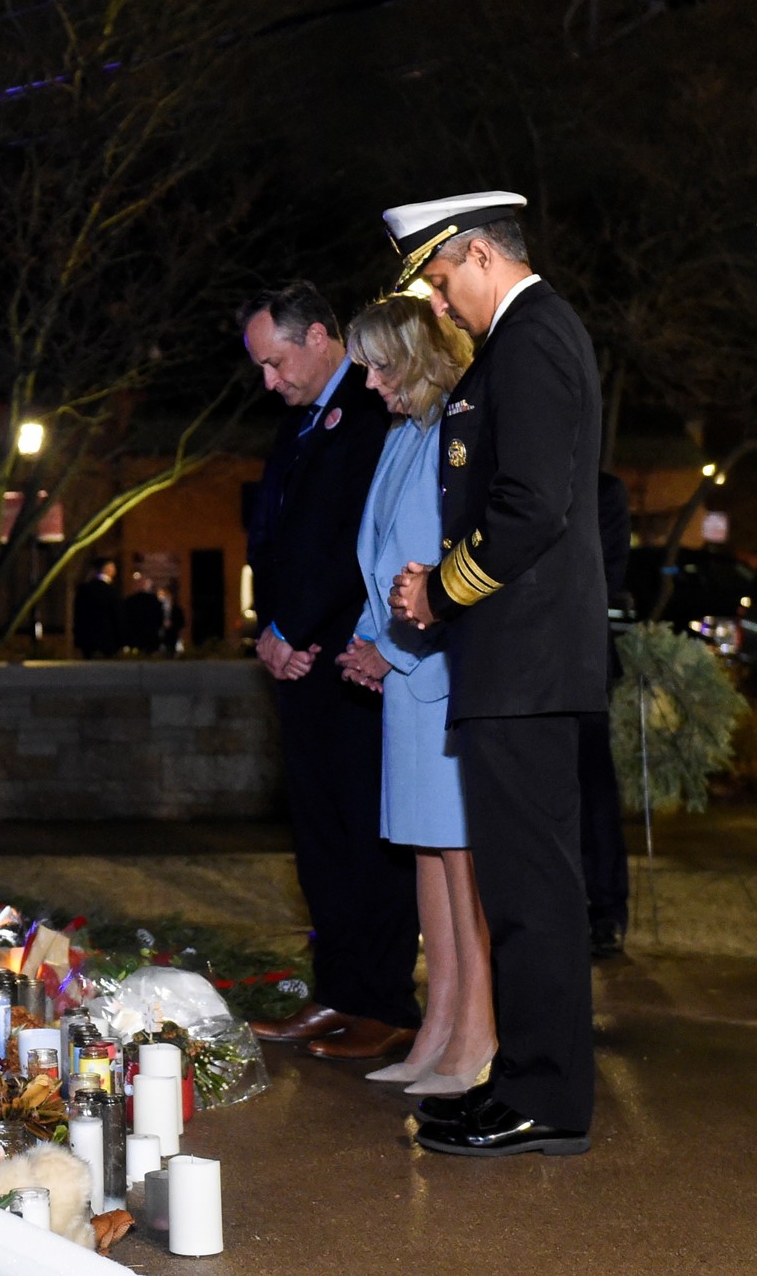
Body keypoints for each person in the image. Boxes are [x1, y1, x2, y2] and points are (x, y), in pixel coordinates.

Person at [385, 190, 605, 1157]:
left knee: (533, 895)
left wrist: (441, 590)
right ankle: (525, 1083)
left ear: (478, 253)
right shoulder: (517, 344)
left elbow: (529, 508)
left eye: (439, 281)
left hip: (528, 664)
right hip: (513, 665)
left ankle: (546, 1098)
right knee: (520, 892)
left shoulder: (536, 338)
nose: (438, 305)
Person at [239, 281, 420, 1060]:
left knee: (364, 833)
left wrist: (299, 629)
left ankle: (384, 1001)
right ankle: (339, 991)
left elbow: (360, 541)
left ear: (318, 336)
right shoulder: (302, 422)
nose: (269, 382)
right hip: (300, 657)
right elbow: (273, 537)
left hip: (353, 658)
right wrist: (269, 632)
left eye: (276, 363)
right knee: (317, 836)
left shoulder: (373, 409)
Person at [333, 295, 495, 1098]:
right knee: (427, 854)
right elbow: (382, 562)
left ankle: (476, 1034)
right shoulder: (406, 436)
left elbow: (445, 567)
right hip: (408, 680)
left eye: (378, 364)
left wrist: (390, 648)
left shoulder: (455, 439)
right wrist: (372, 640)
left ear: (418, 359)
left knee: (460, 861)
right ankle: (439, 1025)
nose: (366, 381)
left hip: (438, 676)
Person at [582, 472, 631, 958]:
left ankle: (606, 907)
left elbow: (610, 576)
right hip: (525, 662)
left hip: (584, 659)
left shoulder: (604, 490)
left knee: (593, 786)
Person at [72, 557, 123, 658]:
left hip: (87, 639)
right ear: (107, 568)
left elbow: (78, 615)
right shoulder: (112, 591)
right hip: (108, 639)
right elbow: (117, 616)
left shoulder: (84, 589)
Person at [119, 573, 164, 653]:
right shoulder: (154, 600)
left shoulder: (129, 601)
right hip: (150, 637)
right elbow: (160, 618)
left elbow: (124, 619)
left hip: (134, 637)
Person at [158, 580, 186, 655]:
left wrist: (172, 624)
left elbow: (182, 624)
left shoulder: (177, 610)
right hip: (161, 641)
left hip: (174, 638)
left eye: (165, 595)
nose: (163, 598)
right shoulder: (159, 611)